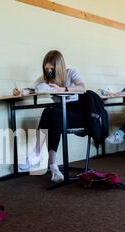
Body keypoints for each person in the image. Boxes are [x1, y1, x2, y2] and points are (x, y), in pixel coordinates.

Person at [13, 50, 86, 183]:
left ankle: (38, 155)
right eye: (47, 69)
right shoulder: (46, 78)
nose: (49, 71)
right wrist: (21, 92)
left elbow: (82, 88)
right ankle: (53, 169)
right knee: (52, 117)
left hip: (77, 112)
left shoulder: (71, 72)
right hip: (58, 113)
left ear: (59, 66)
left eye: (52, 68)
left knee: (50, 112)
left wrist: (62, 89)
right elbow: (32, 89)